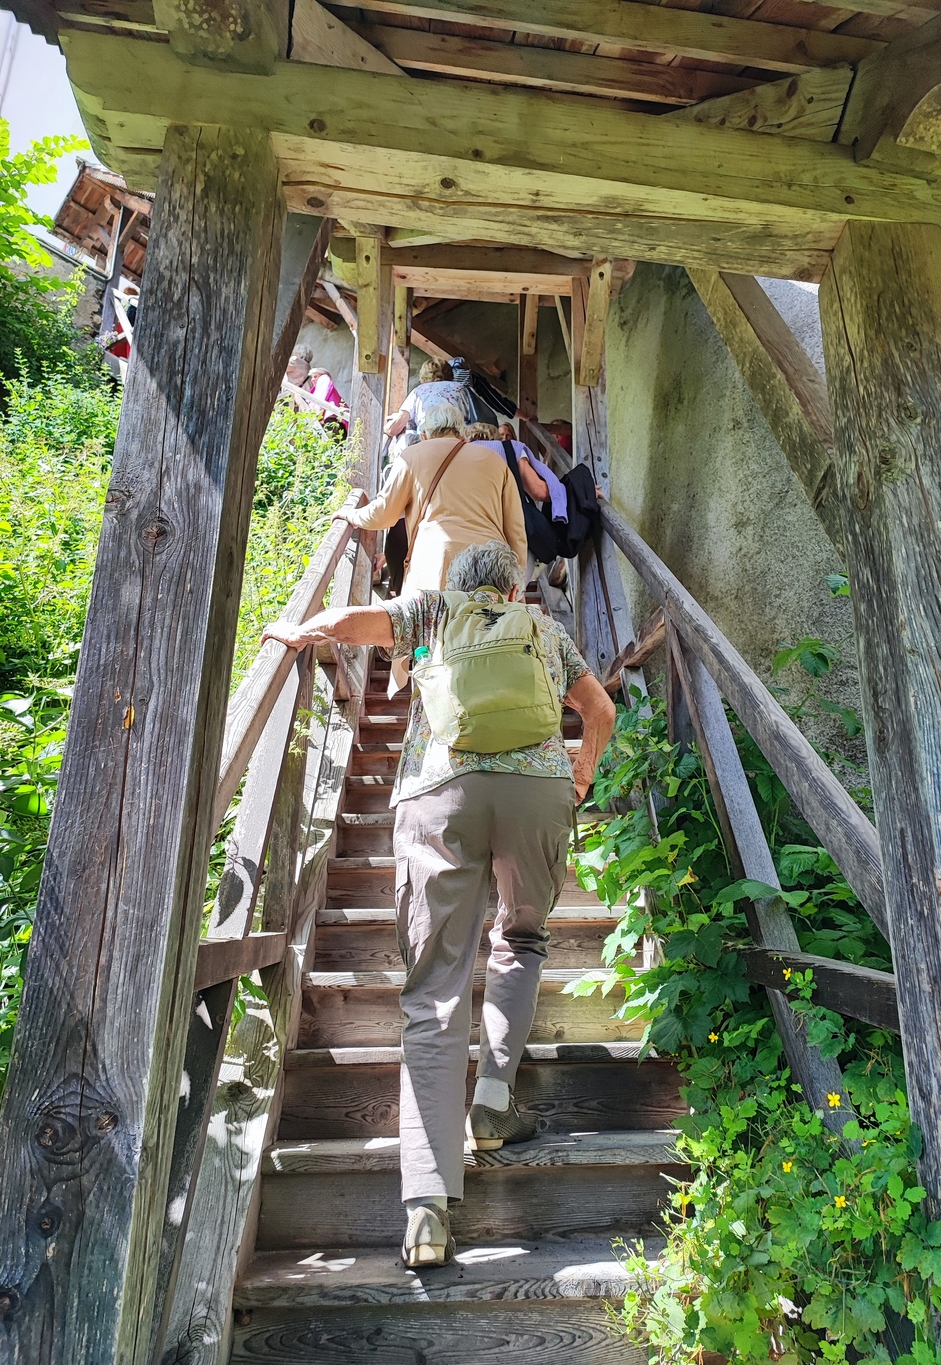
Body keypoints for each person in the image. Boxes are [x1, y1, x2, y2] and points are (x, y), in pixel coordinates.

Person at [261, 540, 618, 1269]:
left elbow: (358, 622)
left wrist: (304, 630)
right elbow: (600, 709)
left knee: (434, 991)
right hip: (537, 793)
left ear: (460, 583)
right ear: (511, 589)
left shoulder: (432, 610)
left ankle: (427, 1208)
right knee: (522, 938)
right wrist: (580, 773)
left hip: (439, 793)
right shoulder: (544, 628)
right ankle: (493, 1101)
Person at [340, 401, 527, 598]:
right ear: (464, 434)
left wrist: (351, 515)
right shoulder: (495, 461)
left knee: (434, 617)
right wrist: (518, 582)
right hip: (490, 565)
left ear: (424, 435)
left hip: (435, 562)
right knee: (488, 618)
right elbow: (516, 529)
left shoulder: (412, 456)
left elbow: (383, 513)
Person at [385, 358, 472, 445]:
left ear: (423, 375)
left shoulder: (418, 391)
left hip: (427, 441)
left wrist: (386, 429)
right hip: (458, 440)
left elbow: (394, 428)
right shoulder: (462, 389)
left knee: (403, 439)